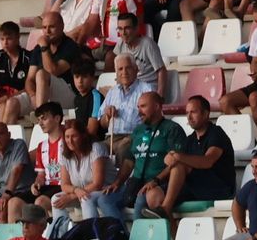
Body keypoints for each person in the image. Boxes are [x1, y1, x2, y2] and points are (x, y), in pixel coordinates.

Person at [141, 95, 234, 219]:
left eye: (193, 112)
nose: (189, 117)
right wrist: (156, 180)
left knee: (179, 165)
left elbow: (208, 161)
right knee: (153, 194)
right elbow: (174, 163)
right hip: (195, 186)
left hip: (217, 187)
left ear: (206, 114)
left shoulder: (216, 133)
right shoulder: (190, 139)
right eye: (187, 113)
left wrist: (177, 157)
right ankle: (172, 236)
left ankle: (165, 208)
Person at [98, 90, 182, 219]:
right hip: (136, 184)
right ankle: (122, 235)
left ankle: (137, 238)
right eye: (138, 107)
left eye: (143, 106)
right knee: (104, 199)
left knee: (140, 200)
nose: (139, 111)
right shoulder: (138, 131)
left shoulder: (172, 129)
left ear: (157, 106)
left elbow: (176, 162)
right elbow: (129, 161)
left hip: (159, 184)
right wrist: (117, 182)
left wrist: (156, 180)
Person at [97, 54, 153, 162]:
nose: (124, 72)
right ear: (116, 73)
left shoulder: (146, 89)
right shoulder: (112, 92)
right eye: (120, 69)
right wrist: (107, 115)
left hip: (135, 136)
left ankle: (121, 179)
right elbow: (102, 124)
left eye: (128, 68)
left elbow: (152, 119)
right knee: (96, 149)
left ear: (136, 69)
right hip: (111, 138)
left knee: (123, 149)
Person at [51, 118, 108, 221]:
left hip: (103, 191)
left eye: (74, 136)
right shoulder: (65, 154)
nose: (70, 141)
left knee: (85, 198)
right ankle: (61, 232)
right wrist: (75, 190)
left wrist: (72, 196)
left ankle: (91, 233)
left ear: (83, 136)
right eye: (67, 137)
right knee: (56, 199)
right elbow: (64, 185)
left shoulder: (95, 148)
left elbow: (97, 184)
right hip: (81, 192)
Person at [29, 10, 87, 112]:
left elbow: (53, 71)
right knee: (12, 103)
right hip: (41, 93)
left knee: (42, 74)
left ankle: (41, 116)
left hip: (68, 93)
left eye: (51, 27)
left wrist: (44, 48)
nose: (47, 31)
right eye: (44, 27)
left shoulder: (71, 47)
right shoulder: (38, 48)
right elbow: (29, 79)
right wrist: (32, 94)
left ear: (62, 27)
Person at [111, 9, 163, 86]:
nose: (123, 33)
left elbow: (161, 71)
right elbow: (118, 70)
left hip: (148, 85)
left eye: (127, 28)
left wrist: (160, 96)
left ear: (136, 29)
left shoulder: (148, 44)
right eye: (120, 29)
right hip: (130, 86)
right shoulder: (120, 43)